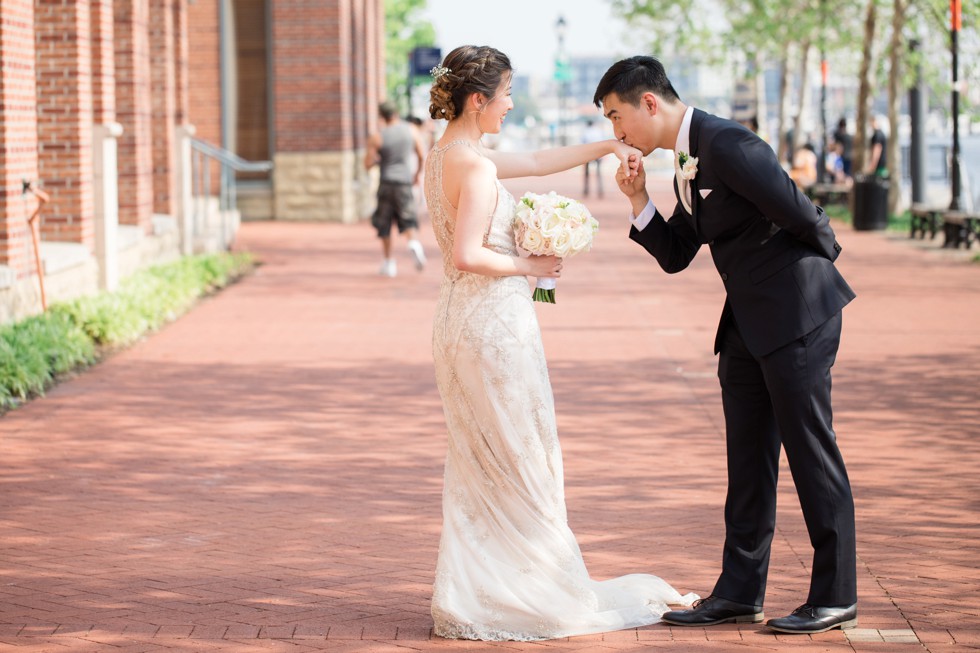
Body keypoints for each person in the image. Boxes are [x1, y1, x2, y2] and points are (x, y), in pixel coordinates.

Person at [424, 45, 696, 642]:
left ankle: (479, 589)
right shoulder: (472, 165)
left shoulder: (448, 154)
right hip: (493, 328)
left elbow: (543, 159)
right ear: (479, 99)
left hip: (458, 322)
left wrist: (606, 146)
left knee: (484, 459)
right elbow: (467, 254)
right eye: (507, 96)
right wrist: (532, 262)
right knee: (524, 457)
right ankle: (526, 592)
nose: (511, 106)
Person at [594, 55, 857, 635]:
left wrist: (810, 285)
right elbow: (677, 255)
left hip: (796, 318)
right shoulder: (686, 161)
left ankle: (835, 595)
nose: (617, 133)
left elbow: (802, 215)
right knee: (748, 462)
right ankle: (739, 593)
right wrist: (639, 201)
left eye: (617, 116)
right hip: (744, 326)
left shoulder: (729, 143)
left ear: (650, 103)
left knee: (811, 454)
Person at [365, 101, 427, 277]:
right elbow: (421, 155)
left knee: (384, 224)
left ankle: (388, 262)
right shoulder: (411, 130)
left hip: (386, 183)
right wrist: (416, 174)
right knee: (408, 219)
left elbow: (367, 164)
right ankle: (414, 244)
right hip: (404, 183)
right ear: (396, 113)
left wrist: (378, 159)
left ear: (381, 116)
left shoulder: (378, 136)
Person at [581, 118, 605, 197]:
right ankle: (600, 190)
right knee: (598, 173)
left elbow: (583, 143)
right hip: (598, 153)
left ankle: (586, 190)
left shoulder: (586, 131)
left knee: (586, 173)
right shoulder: (598, 131)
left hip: (589, 153)